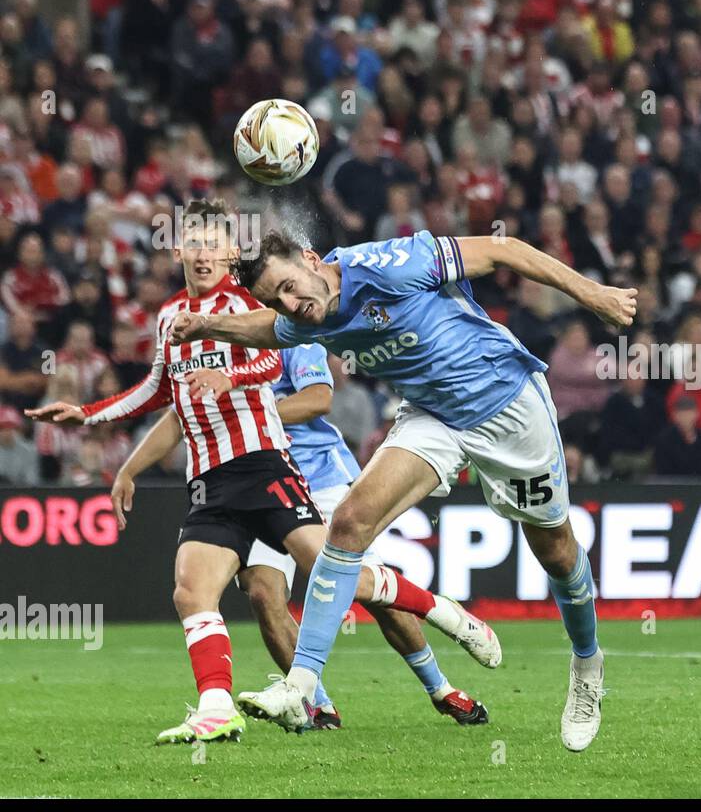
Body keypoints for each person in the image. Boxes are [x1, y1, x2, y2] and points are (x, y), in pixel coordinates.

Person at [26, 201, 497, 745]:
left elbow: (293, 376)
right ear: (176, 251)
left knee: (347, 579)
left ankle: (442, 629)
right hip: (211, 480)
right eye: (192, 244)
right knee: (209, 591)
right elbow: (167, 397)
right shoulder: (171, 317)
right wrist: (91, 419)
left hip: (285, 466)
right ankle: (245, 706)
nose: (202, 255)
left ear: (231, 252)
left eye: (213, 244)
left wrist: (232, 383)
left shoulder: (270, 306)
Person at [170, 229, 637, 752]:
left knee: (554, 550)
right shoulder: (306, 314)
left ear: (310, 259)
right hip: (433, 417)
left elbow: (504, 250)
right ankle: (300, 685)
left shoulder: (386, 266)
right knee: (347, 523)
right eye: (276, 299)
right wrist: (208, 324)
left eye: (288, 287)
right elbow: (271, 330)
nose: (290, 305)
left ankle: (587, 664)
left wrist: (593, 294)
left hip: (505, 403)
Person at [116, 341, 491, 729]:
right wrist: (130, 468)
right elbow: (180, 415)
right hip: (258, 484)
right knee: (263, 593)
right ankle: (315, 703)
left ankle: (440, 684)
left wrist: (252, 416)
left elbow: (317, 399)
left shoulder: (285, 335)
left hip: (321, 478)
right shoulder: (204, 349)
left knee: (370, 593)